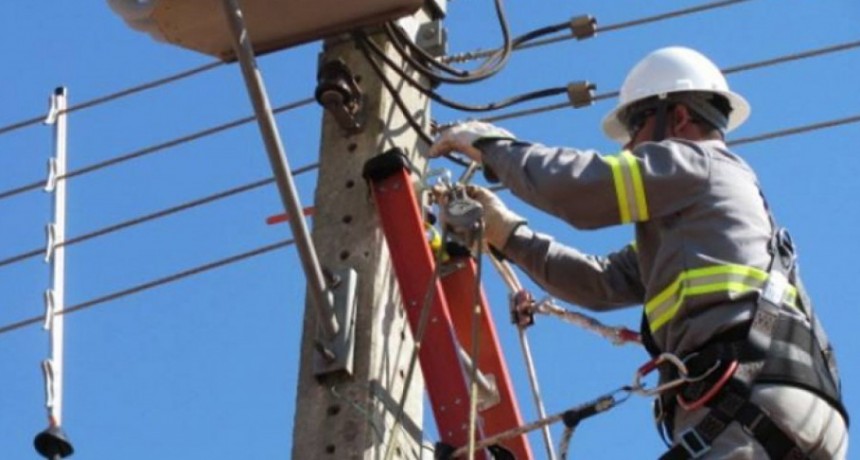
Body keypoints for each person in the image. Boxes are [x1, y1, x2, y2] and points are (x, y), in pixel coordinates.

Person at [427, 47, 848, 459]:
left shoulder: (697, 163)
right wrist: (510, 235)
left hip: (744, 401)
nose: (629, 148)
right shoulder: (697, 229)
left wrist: (494, 147)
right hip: (787, 407)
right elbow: (600, 282)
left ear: (678, 117)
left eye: (636, 127)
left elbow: (580, 188)